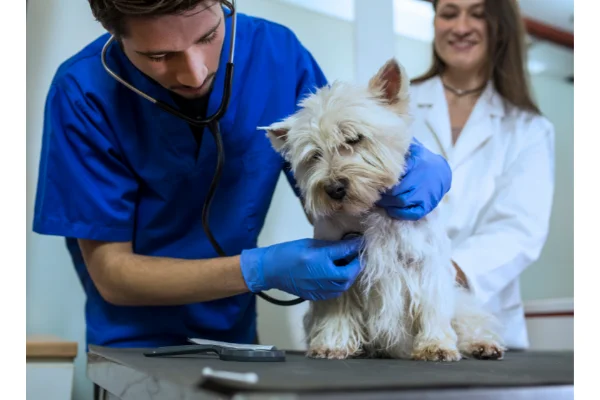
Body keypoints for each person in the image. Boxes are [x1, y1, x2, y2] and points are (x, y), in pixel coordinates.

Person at [32, 0, 452, 349]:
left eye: (208, 37)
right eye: (159, 56)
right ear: (116, 35)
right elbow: (112, 274)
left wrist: (405, 158)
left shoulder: (277, 54)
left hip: (234, 337)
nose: (194, 74)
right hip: (134, 341)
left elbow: (333, 172)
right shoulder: (82, 91)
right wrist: (260, 268)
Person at [409, 0, 555, 350]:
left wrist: (441, 273)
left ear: (498, 26)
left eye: (477, 14)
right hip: (400, 311)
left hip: (485, 319)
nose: (461, 27)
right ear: (434, 24)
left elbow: (519, 229)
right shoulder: (399, 104)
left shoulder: (529, 128)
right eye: (448, 13)